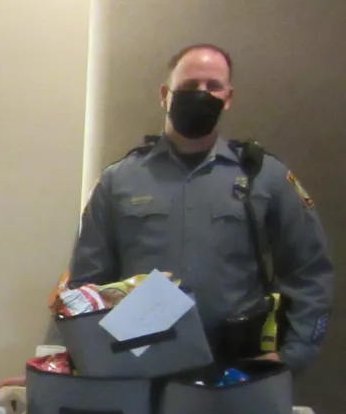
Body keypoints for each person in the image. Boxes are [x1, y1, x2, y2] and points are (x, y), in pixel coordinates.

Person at [68, 44, 332, 370]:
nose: (201, 94)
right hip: (135, 372)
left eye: (213, 86)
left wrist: (292, 355)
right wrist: (63, 362)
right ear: (165, 94)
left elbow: (311, 272)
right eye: (190, 86)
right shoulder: (117, 181)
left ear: (229, 97)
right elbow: (85, 286)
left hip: (235, 375)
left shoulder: (265, 176)